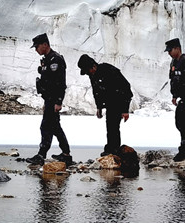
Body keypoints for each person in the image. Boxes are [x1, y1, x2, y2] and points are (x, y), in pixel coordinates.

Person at [78, 54, 132, 156]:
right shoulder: (92, 75)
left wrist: (125, 110)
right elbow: (96, 92)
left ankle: (114, 150)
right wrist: (99, 107)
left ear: (93, 66)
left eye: (88, 71)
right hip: (110, 104)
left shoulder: (109, 70)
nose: (88, 74)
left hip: (119, 102)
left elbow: (126, 88)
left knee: (113, 127)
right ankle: (110, 148)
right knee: (110, 126)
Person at [30, 33, 72, 165]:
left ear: (45, 45)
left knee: (46, 127)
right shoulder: (47, 60)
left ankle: (41, 155)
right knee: (54, 127)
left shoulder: (56, 60)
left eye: (37, 46)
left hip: (53, 99)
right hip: (49, 99)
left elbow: (60, 83)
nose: (36, 49)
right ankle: (65, 154)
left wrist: (58, 101)